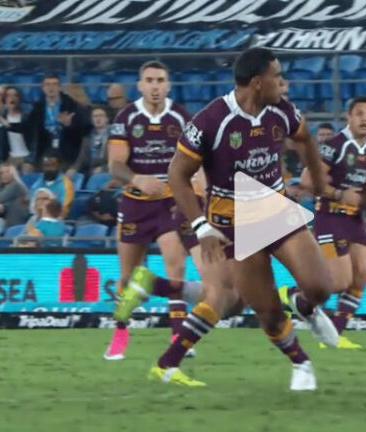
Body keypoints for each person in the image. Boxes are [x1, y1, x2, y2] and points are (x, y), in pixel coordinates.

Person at [117, 48, 338, 390]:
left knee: (321, 288)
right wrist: (201, 226)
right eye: (277, 76)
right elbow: (177, 175)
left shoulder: (282, 111)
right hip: (233, 224)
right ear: (257, 82)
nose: (283, 83)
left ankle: (303, 304)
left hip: (275, 210)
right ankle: (301, 364)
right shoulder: (212, 120)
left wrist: (320, 187)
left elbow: (305, 139)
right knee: (264, 310)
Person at [103, 60, 203, 361]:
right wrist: (137, 179)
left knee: (176, 265)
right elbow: (115, 165)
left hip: (169, 203)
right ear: (140, 85)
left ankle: (178, 336)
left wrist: (197, 188)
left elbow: (196, 158)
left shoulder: (182, 117)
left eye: (160, 80)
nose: (155, 86)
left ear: (168, 85)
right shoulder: (126, 117)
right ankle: (120, 332)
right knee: (127, 276)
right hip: (135, 203)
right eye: (150, 80)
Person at [296, 97, 366, 349]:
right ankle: (295, 296)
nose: (365, 119)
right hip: (330, 216)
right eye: (360, 114)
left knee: (361, 276)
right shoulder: (335, 145)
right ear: (349, 117)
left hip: (354, 219)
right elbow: (307, 180)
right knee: (339, 281)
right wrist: (337, 194)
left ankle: (333, 336)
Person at [28, 73, 90, 168]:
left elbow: (85, 129)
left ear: (60, 87)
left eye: (54, 84)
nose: (51, 88)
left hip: (66, 152)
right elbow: (29, 130)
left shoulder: (72, 105)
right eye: (48, 84)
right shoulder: (37, 108)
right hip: (44, 151)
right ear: (43, 88)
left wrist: (70, 125)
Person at [0, 86, 32, 170]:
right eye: (8, 95)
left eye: (15, 95)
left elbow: (20, 129)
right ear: (5, 100)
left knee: (27, 170)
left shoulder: (27, 117)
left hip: (26, 157)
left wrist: (30, 160)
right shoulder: (2, 119)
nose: (12, 98)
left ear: (19, 99)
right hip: (10, 158)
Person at [29, 151, 74, 219]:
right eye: (46, 166)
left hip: (57, 219)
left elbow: (63, 209)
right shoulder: (37, 183)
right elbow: (32, 206)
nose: (48, 169)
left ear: (59, 166)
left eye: (52, 165)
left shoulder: (66, 185)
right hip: (37, 218)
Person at [71, 106, 110, 176]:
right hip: (91, 172)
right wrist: (73, 169)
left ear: (107, 119)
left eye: (101, 116)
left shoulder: (114, 135)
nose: (98, 119)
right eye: (95, 116)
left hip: (109, 171)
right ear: (91, 120)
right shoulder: (87, 138)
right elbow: (81, 158)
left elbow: (118, 159)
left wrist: (104, 168)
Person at [0, 162, 29, 227]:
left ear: (13, 173)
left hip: (16, 222)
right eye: (2, 173)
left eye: (7, 172)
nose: (4, 175)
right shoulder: (3, 186)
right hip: (7, 219)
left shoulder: (15, 185)